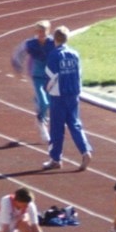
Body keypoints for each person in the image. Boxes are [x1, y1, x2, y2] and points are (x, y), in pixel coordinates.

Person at [43, 26, 92, 171]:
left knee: (56, 128)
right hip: (73, 94)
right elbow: (79, 74)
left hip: (59, 96)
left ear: (55, 39)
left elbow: (51, 76)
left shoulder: (54, 55)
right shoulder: (74, 54)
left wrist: (47, 89)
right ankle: (85, 150)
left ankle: (55, 158)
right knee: (75, 124)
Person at [11, 20, 56, 143]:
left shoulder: (53, 42)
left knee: (49, 102)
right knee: (44, 102)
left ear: (48, 30)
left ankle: (40, 111)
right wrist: (18, 68)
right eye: (39, 31)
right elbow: (18, 54)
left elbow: (63, 53)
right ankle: (41, 123)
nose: (42, 33)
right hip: (36, 75)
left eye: (44, 31)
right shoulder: (30, 43)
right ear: (36, 32)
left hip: (50, 76)